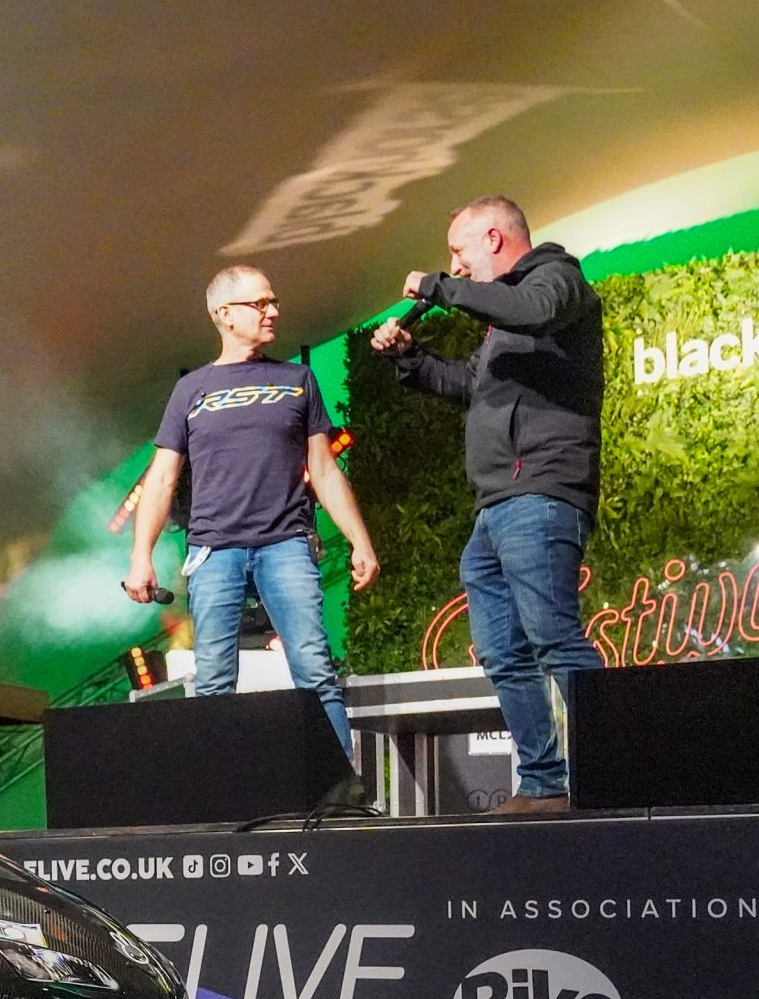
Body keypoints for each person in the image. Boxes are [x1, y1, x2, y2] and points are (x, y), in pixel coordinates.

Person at [371, 194, 605, 813]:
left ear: (495, 239)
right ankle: (544, 783)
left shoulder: (557, 278)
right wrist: (410, 358)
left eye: (460, 251)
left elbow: (535, 310)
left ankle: (619, 773)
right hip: (496, 506)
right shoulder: (506, 323)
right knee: (503, 651)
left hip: (541, 492)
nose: (457, 264)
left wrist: (439, 287)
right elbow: (470, 384)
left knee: (554, 637)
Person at [123, 264, 379, 757]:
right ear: (224, 314)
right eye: (260, 303)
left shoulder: (298, 379)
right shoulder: (191, 390)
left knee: (315, 673)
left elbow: (324, 469)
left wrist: (359, 540)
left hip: (287, 544)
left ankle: (341, 789)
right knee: (214, 683)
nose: (273, 311)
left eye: (273, 301)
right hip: (213, 550)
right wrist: (141, 556)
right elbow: (162, 477)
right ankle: (221, 792)